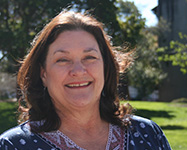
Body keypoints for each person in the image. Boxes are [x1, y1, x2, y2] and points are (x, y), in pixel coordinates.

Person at [0, 10, 172, 150]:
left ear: (106, 67)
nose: (78, 71)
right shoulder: (13, 146)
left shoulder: (148, 135)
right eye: (62, 60)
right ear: (43, 74)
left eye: (89, 57)